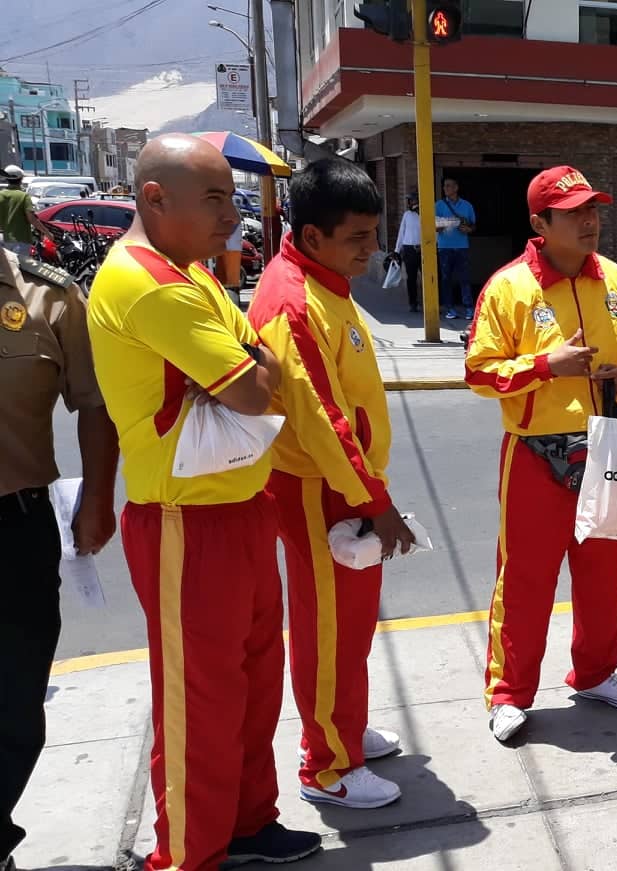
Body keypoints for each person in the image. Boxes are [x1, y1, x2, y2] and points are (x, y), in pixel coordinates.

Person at [86, 133, 322, 870]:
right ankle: (189, 852)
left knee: (254, 682)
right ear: (156, 198)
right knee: (200, 701)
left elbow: (261, 363)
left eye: (232, 196)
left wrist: (251, 367)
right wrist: (253, 368)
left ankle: (249, 822)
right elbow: (257, 384)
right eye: (216, 198)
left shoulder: (196, 276)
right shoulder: (150, 282)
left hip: (239, 505)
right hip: (186, 521)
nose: (235, 214)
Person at [465, 165, 617, 743]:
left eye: (592, 209)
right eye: (574, 212)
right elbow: (479, 371)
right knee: (525, 578)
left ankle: (597, 673)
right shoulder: (509, 288)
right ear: (540, 223)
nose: (589, 221)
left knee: (603, 572)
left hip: (606, 445)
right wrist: (547, 366)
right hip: (533, 452)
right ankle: (508, 693)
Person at [248, 158, 417, 811]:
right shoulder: (293, 303)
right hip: (321, 487)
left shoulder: (326, 282)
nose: (372, 249)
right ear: (313, 235)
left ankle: (344, 727)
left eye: (375, 233)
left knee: (351, 624)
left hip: (346, 483)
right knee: (326, 628)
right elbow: (322, 419)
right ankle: (325, 763)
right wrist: (379, 503)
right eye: (358, 237)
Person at [0, 248, 117, 871]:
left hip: (15, 529)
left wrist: (98, 496)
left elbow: (93, 403)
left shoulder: (48, 296)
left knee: (16, 704)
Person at [436, 177, 476, 320]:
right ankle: (449, 308)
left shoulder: (467, 206)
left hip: (462, 247)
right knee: (446, 279)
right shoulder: (439, 205)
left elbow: (473, 225)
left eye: (449, 186)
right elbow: (434, 226)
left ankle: (469, 308)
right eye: (444, 186)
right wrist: (445, 224)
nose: (445, 188)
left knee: (464, 278)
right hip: (444, 247)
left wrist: (468, 229)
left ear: (456, 188)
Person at [0, 166, 54, 255]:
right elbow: (32, 219)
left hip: (2, 238)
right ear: (21, 179)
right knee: (20, 267)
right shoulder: (23, 196)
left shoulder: (1, 195)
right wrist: (47, 233)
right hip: (20, 240)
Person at [393, 192, 423, 312]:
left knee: (428, 277)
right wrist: (397, 250)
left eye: (413, 201)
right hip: (409, 248)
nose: (411, 203)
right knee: (411, 277)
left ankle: (429, 302)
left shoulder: (424, 214)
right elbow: (401, 232)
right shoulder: (407, 215)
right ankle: (413, 303)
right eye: (410, 201)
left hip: (422, 248)